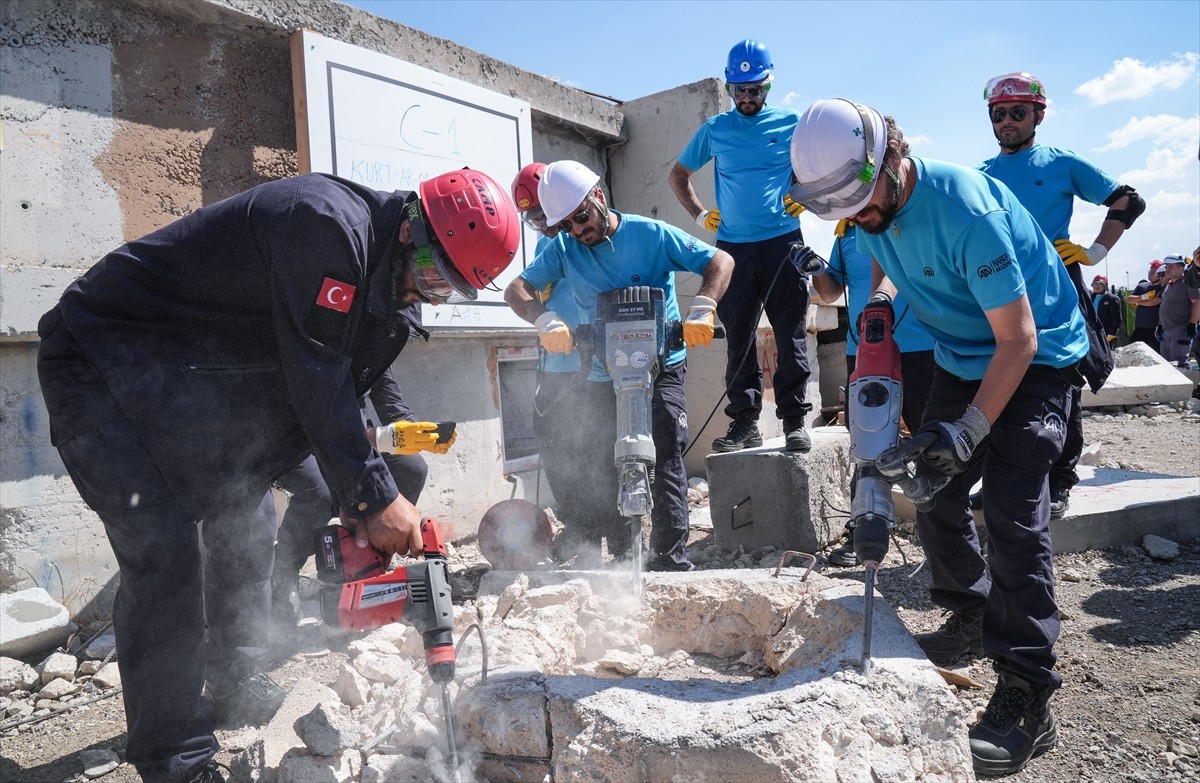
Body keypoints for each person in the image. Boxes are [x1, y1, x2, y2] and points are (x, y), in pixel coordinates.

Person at [36, 170, 519, 783]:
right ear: (410, 230)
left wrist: (357, 492)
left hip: (192, 378)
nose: (427, 294)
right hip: (99, 361)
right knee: (164, 554)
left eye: (447, 289)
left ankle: (233, 681)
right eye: (430, 276)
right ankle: (175, 761)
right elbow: (317, 373)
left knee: (247, 515)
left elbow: (340, 374)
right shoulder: (323, 226)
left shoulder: (378, 274)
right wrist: (374, 496)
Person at [789, 98, 1088, 778]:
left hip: (1036, 358)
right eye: (846, 212)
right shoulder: (870, 205)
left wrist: (970, 428)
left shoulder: (967, 211)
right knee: (932, 489)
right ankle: (971, 612)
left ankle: (1028, 691)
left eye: (864, 203)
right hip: (961, 354)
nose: (859, 217)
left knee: (1010, 510)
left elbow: (1019, 340)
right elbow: (888, 249)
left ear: (893, 159)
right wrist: (883, 298)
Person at [504, 160, 733, 571]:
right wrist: (544, 319)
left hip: (662, 366)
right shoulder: (564, 249)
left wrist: (703, 307)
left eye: (581, 217)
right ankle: (622, 556)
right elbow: (517, 289)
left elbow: (720, 261)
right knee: (599, 459)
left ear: (598, 196)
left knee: (665, 455)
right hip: (601, 371)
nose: (577, 231)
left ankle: (668, 558)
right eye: (566, 225)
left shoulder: (651, 235)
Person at [977, 71, 1144, 519]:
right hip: (1000, 287)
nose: (1007, 121)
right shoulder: (981, 176)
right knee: (998, 378)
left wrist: (1094, 252)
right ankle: (1002, 478)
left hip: (1056, 286)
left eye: (1018, 112)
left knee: (1062, 380)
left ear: (1039, 115)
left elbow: (1128, 201)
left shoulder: (1061, 163)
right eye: (998, 114)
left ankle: (1059, 481)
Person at [668, 38, 815, 453]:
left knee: (790, 333)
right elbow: (678, 176)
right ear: (729, 87)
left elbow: (823, 168)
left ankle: (794, 421)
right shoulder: (715, 129)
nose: (747, 97)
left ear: (768, 85)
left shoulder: (792, 123)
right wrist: (701, 215)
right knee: (739, 338)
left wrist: (805, 196)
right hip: (733, 250)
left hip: (784, 243)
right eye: (739, 90)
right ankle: (746, 422)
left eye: (754, 89)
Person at [270, 366, 440, 627]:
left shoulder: (371, 341)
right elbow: (314, 398)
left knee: (411, 468)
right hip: (290, 436)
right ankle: (283, 572)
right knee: (320, 492)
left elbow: (386, 391)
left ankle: (366, 566)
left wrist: (410, 430)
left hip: (348, 433)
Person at [811, 218, 936, 566]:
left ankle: (942, 538)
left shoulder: (913, 223)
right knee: (868, 445)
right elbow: (831, 292)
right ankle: (862, 533)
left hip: (922, 349)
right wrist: (817, 268)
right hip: (863, 351)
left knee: (930, 444)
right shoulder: (848, 233)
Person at [509, 163, 588, 548]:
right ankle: (578, 525)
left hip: (591, 366)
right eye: (534, 219)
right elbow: (526, 292)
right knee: (555, 443)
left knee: (593, 446)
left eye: (544, 214)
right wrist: (543, 317)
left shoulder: (586, 236)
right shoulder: (547, 245)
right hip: (556, 366)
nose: (543, 224)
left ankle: (607, 529)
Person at [1157, 254, 1200, 367]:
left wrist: (1192, 324)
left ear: (1181, 267)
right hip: (1166, 330)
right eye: (1166, 266)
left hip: (1181, 329)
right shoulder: (1169, 285)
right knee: (1166, 365)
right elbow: (1164, 307)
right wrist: (1160, 325)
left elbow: (1196, 303)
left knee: (1180, 363)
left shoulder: (1189, 282)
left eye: (1171, 266)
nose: (1167, 269)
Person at [1128, 260, 1166, 351]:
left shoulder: (1163, 287)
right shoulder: (1141, 286)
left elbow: (1154, 301)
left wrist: (1138, 302)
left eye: (1154, 270)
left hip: (1155, 328)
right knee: (1132, 351)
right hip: (1139, 328)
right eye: (1150, 269)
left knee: (1156, 354)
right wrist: (1143, 296)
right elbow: (1129, 300)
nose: (1151, 272)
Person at [1089, 276, 1124, 344]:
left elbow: (1116, 319)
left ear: (1105, 286)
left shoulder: (1112, 299)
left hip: (1106, 333)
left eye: (1100, 284)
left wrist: (1111, 333)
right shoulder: (1089, 297)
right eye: (1095, 284)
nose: (1097, 286)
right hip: (1092, 333)